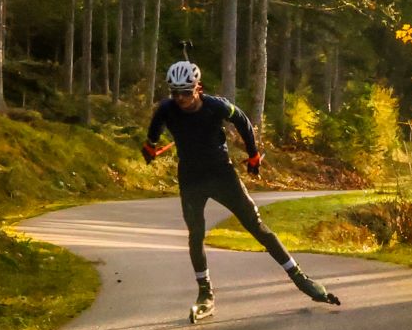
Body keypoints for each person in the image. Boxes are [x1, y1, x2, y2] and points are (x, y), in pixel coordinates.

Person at [144, 60, 338, 314]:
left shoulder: (216, 106)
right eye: (175, 92)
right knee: (196, 235)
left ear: (198, 88)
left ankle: (301, 279)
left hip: (222, 176)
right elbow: (154, 130)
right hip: (191, 178)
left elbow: (243, 121)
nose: (180, 98)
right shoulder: (166, 109)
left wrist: (253, 154)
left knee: (257, 227)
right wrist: (150, 146)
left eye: (186, 92)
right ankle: (205, 292)